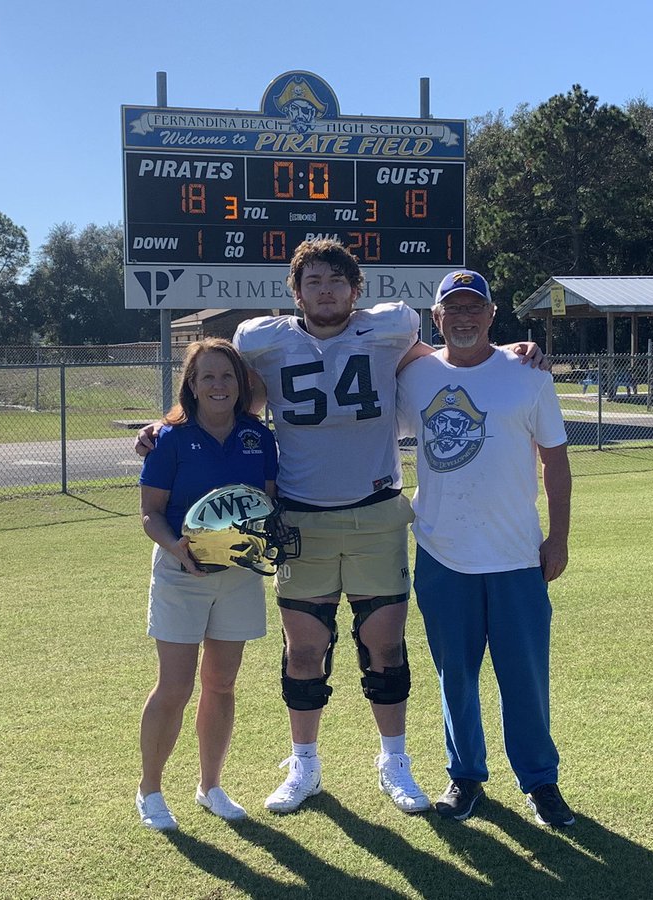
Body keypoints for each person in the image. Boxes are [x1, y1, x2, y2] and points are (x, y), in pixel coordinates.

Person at [138, 240, 545, 816]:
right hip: (301, 516)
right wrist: (168, 423)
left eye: (336, 281)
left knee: (384, 644)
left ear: (356, 290)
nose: (324, 291)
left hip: (376, 510)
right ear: (295, 292)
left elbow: (445, 351)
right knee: (304, 652)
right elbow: (221, 385)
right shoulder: (266, 340)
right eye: (313, 282)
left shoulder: (388, 329)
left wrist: (505, 353)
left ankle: (394, 761)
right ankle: (304, 764)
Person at [396, 269, 576, 826]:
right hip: (443, 553)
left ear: (492, 315)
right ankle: (466, 777)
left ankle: (540, 782)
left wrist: (559, 537)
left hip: (517, 555)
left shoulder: (527, 375)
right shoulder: (414, 375)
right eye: (453, 308)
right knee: (457, 677)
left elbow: (556, 461)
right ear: (437, 317)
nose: (464, 317)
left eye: (475, 308)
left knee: (524, 676)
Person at [135, 338, 281, 831]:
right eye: (208, 377)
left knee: (221, 683)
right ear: (191, 386)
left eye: (227, 376)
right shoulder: (170, 439)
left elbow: (266, 503)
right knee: (174, 686)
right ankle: (150, 791)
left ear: (241, 385)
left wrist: (259, 539)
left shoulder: (256, 437)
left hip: (237, 576)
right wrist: (178, 547)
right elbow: (150, 514)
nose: (218, 385)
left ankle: (210, 785)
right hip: (181, 573)